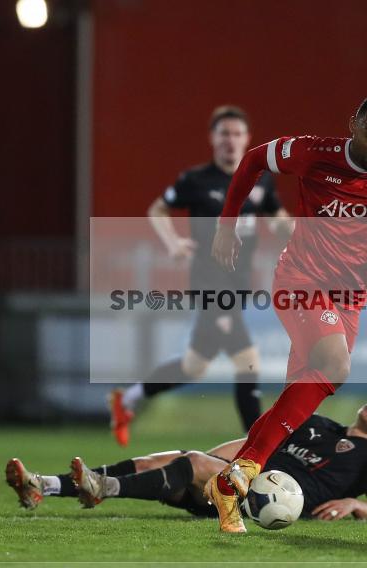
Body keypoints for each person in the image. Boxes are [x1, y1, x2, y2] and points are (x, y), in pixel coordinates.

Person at [206, 93, 367, 532]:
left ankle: (227, 489)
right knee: (336, 365)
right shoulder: (312, 153)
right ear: (353, 125)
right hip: (300, 279)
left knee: (296, 410)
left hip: (349, 298)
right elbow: (252, 161)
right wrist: (226, 226)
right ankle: (244, 469)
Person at [110, 105, 292, 446]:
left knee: (194, 366)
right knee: (248, 362)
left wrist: (304, 234)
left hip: (238, 287)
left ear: (247, 139)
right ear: (212, 139)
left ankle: (128, 397)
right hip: (210, 285)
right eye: (224, 134)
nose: (231, 141)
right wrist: (172, 242)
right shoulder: (196, 180)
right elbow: (158, 208)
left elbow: (277, 217)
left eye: (237, 134)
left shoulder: (260, 179)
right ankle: (257, 451)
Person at [5, 389, 367, 522]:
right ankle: (44, 485)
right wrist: (208, 458)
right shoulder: (318, 424)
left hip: (266, 505)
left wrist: (354, 504)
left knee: (194, 465)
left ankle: (102, 488)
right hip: (240, 483)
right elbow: (249, 444)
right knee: (167, 460)